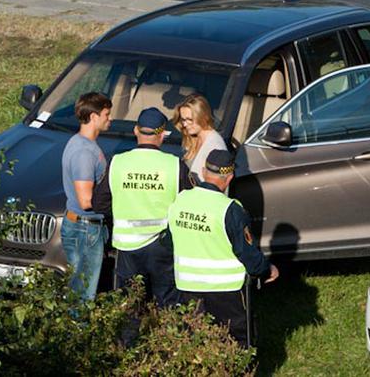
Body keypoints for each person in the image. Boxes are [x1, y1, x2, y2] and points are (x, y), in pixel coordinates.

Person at [168, 149, 279, 347]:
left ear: (203, 171)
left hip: (187, 288)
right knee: (234, 344)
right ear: (229, 178)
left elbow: (169, 240)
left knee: (195, 343)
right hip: (226, 293)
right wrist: (267, 268)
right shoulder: (231, 209)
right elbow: (247, 253)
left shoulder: (180, 200)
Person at [93, 107, 193, 307]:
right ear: (162, 135)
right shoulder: (175, 165)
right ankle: (166, 337)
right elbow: (189, 204)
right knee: (167, 301)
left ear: (136, 131)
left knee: (130, 303)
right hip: (162, 244)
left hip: (127, 247)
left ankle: (129, 338)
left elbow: (99, 203)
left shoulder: (117, 162)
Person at [61, 92, 112, 301]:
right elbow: (85, 200)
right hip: (86, 229)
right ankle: (78, 329)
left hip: (81, 226)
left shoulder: (78, 143)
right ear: (93, 117)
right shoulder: (84, 153)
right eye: (107, 114)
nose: (110, 119)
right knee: (83, 292)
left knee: (77, 287)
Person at [173, 94, 227, 184]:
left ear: (203, 116)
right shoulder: (193, 139)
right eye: (183, 120)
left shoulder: (215, 146)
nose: (185, 124)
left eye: (189, 119)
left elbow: (218, 186)